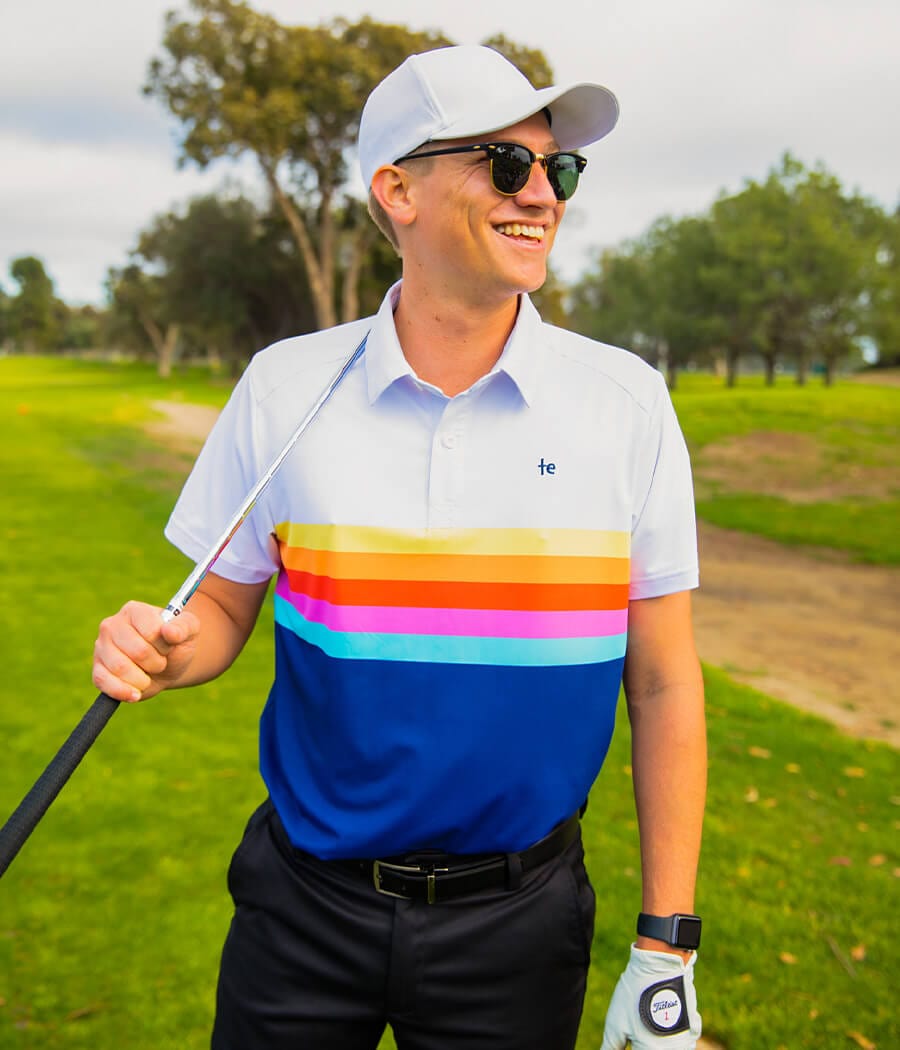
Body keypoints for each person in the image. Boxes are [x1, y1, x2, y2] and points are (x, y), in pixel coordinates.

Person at [93, 44, 706, 1050]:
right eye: (506, 164)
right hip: (302, 909)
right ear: (397, 190)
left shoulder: (627, 403)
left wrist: (666, 944)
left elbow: (665, 682)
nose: (542, 194)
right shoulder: (285, 386)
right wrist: (163, 646)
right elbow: (222, 607)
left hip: (520, 923)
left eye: (558, 168)